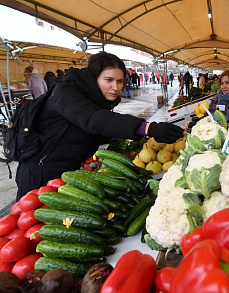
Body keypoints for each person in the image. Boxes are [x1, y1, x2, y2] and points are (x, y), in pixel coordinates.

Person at [15, 51, 184, 200]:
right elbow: (94, 120)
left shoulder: (97, 98)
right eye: (108, 80)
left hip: (68, 172)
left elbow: (100, 128)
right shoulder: (65, 92)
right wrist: (148, 128)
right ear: (94, 77)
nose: (115, 87)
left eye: (119, 81)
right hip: (39, 173)